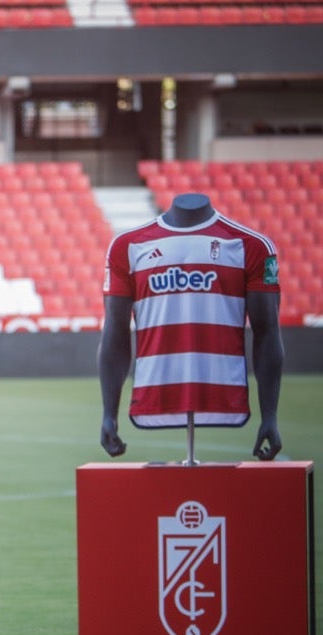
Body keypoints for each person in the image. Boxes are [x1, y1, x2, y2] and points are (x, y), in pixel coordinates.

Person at [99, 191, 283, 459]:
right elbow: (114, 334)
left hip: (223, 394)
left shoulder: (253, 246)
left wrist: (270, 416)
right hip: (156, 395)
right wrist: (109, 413)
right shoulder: (126, 246)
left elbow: (267, 333)